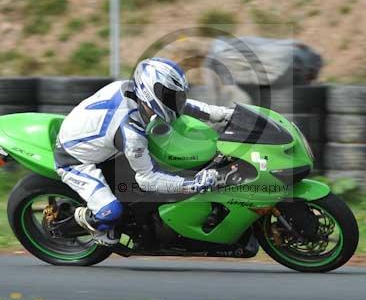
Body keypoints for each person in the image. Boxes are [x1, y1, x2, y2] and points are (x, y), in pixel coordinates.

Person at [54, 58, 234, 245]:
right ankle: (82, 219)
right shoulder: (131, 133)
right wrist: (194, 183)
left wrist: (223, 114)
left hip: (97, 139)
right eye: (170, 96)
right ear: (149, 91)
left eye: (178, 95)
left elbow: (182, 107)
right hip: (74, 159)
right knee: (110, 215)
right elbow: (148, 179)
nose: (176, 100)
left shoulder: (137, 93)